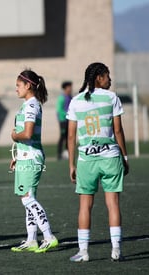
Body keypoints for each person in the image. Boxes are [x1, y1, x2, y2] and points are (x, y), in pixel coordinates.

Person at [67, 62, 129, 262]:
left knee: (85, 206)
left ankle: (84, 252)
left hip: (86, 159)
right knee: (113, 204)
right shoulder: (112, 98)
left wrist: (71, 164)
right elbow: (118, 130)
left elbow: (70, 136)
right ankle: (116, 250)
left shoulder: (76, 101)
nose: (110, 79)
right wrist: (125, 157)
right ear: (99, 78)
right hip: (111, 157)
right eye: (107, 76)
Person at [10, 69, 58, 253]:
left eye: (18, 85)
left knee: (27, 199)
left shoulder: (32, 106)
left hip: (31, 158)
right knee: (28, 198)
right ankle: (31, 240)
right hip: (25, 157)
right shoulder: (27, 105)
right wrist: (16, 156)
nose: (16, 89)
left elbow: (27, 133)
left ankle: (48, 235)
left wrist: (14, 136)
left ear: (28, 85)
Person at [56, 81, 72, 160]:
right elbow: (59, 110)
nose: (70, 89)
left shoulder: (70, 97)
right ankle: (59, 154)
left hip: (69, 120)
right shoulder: (61, 97)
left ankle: (67, 152)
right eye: (69, 87)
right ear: (65, 88)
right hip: (63, 120)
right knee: (62, 136)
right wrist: (67, 114)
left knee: (68, 136)